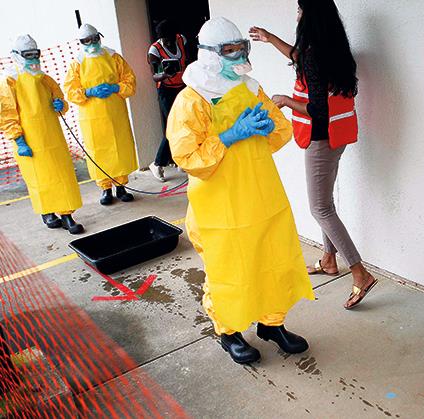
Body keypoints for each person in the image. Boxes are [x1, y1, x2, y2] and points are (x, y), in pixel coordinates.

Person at [167, 17, 315, 365]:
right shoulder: (193, 99)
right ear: (211, 54)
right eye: (230, 50)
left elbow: (279, 132)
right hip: (219, 206)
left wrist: (266, 128)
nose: (238, 55)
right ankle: (229, 331)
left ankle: (272, 323)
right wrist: (229, 136)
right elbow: (188, 157)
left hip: (261, 195)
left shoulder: (250, 88)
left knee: (271, 260)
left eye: (241, 48)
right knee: (229, 270)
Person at [250, 0, 378, 310]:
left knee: (320, 208)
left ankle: (360, 273)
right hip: (337, 135)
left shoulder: (314, 55)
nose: (297, 14)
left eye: (300, 9)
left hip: (321, 139)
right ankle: (328, 259)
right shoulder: (333, 48)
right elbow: (301, 58)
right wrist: (270, 38)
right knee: (326, 203)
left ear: (309, 17)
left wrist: (285, 101)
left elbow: (317, 108)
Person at [0, 35, 84, 234]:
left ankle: (67, 215)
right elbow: (6, 114)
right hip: (29, 140)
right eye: (28, 55)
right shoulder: (9, 81)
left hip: (53, 137)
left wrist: (60, 105)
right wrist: (19, 140)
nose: (33, 59)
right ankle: (47, 212)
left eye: (35, 54)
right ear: (16, 55)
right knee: (40, 179)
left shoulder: (44, 78)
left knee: (62, 175)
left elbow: (60, 100)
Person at [64, 24, 138, 206]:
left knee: (120, 148)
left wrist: (116, 87)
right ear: (81, 42)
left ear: (99, 37)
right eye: (86, 40)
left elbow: (130, 81)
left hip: (115, 114)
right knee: (99, 151)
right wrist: (88, 92)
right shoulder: (77, 63)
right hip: (91, 118)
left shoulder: (114, 57)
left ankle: (121, 186)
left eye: (94, 38)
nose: (91, 43)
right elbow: (70, 91)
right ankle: (105, 188)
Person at [147, 19, 189, 182]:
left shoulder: (181, 39)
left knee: (186, 123)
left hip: (182, 88)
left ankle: (180, 159)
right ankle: (157, 163)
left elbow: (189, 58)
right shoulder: (154, 50)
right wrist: (165, 74)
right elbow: (154, 76)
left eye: (171, 39)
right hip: (166, 90)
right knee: (173, 126)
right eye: (166, 40)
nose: (169, 43)